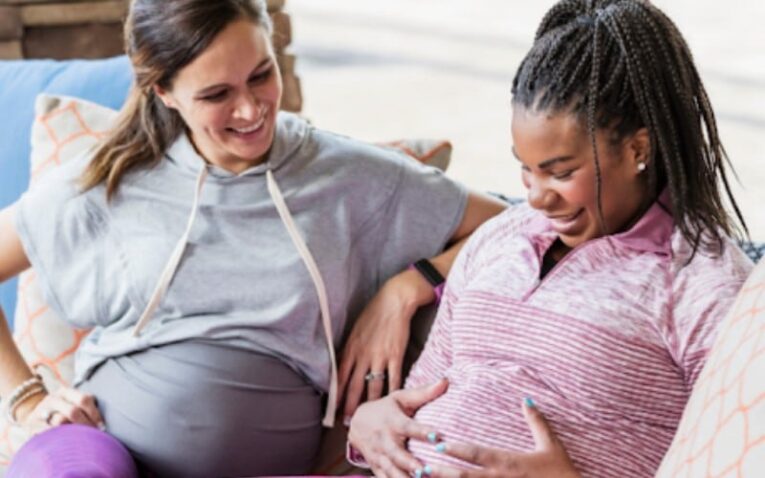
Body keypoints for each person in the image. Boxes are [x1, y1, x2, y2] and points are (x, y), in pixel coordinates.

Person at [0, 0, 506, 476]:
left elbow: (509, 224)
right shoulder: (112, 179)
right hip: (101, 449)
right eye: (217, 94)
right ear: (165, 93)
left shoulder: (347, 177)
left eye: (261, 75)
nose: (250, 110)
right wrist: (28, 398)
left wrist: (407, 288)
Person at [347, 1, 755, 477]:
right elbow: (420, 395)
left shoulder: (705, 285)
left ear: (637, 148)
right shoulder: (500, 237)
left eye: (560, 172)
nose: (537, 198)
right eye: (525, 168)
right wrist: (371, 424)